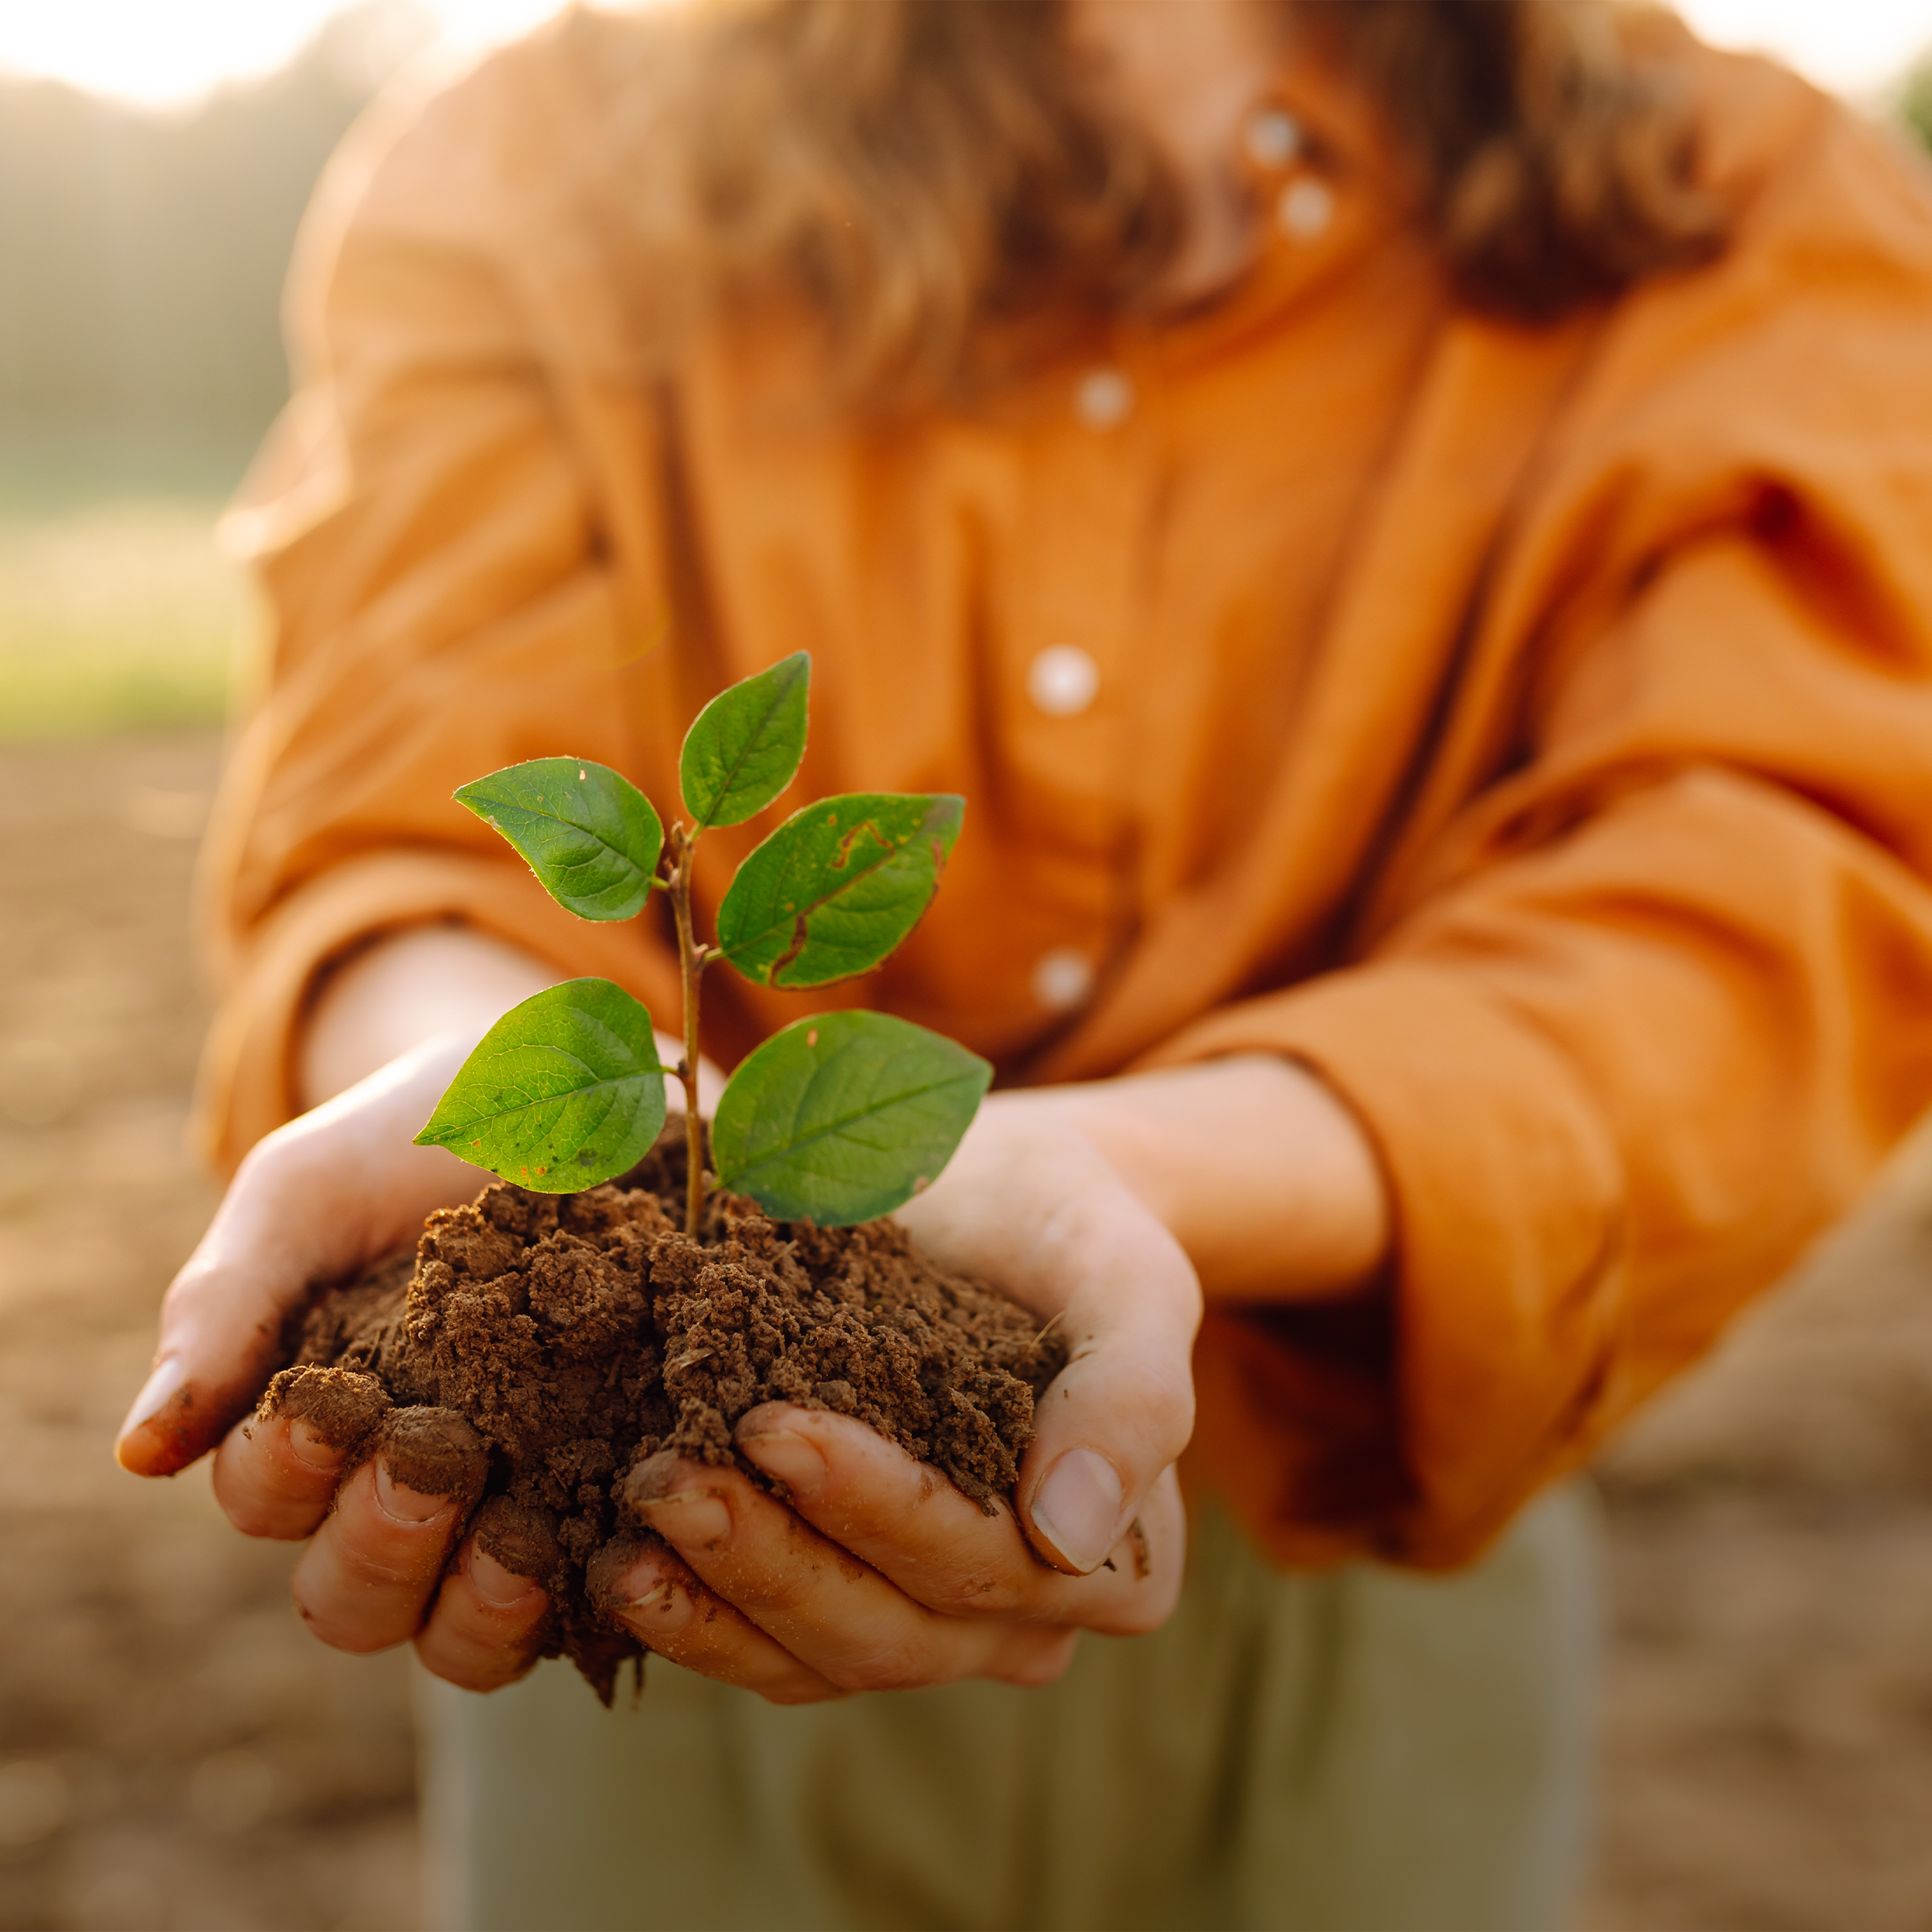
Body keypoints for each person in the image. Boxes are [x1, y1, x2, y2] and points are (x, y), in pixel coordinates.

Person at [115, 0, 1932, 1925]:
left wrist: (1129, 1177)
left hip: (1346, 1550)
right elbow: (406, 813)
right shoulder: (539, 167)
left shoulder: (1732, 204)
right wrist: (529, 1111)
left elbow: (1752, 878)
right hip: (649, 1521)